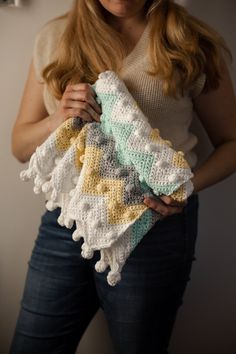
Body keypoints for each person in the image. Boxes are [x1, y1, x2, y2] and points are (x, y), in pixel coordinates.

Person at [10, 0, 236, 353]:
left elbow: (231, 142)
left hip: (154, 226)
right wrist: (60, 118)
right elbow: (20, 145)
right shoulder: (55, 38)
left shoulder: (190, 41)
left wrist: (186, 188)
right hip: (65, 221)